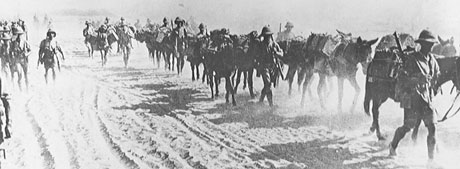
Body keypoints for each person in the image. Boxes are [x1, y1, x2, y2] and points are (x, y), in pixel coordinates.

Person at [389, 30, 440, 160]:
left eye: (432, 44)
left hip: (426, 100)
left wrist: (433, 84)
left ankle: (431, 161)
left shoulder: (432, 60)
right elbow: (401, 78)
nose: (431, 46)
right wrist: (417, 79)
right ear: (422, 44)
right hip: (412, 99)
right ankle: (393, 145)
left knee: (432, 128)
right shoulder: (412, 59)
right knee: (408, 127)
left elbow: (436, 76)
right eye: (428, 44)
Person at [256, 26, 284, 107]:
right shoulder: (260, 45)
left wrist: (276, 53)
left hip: (273, 67)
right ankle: (271, 104)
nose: (267, 38)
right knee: (268, 84)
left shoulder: (274, 44)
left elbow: (282, 54)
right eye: (265, 36)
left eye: (268, 36)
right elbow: (256, 55)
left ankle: (261, 99)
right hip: (264, 67)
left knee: (268, 85)